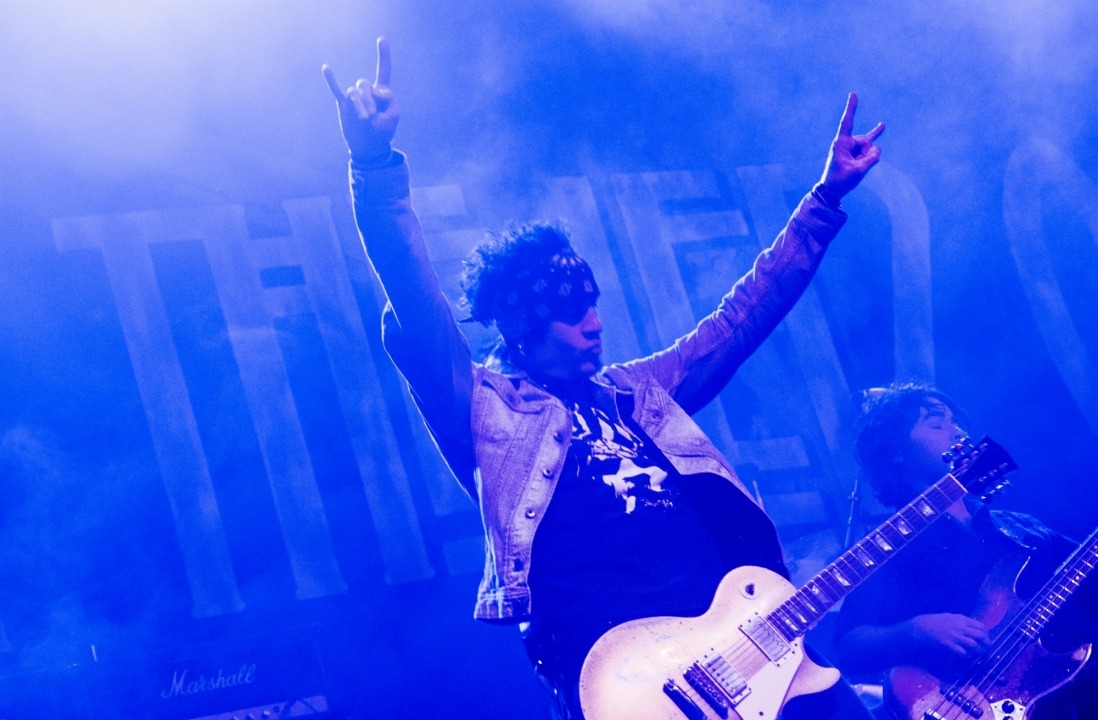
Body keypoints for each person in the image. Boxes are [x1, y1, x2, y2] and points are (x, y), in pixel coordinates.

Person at [323, 36, 885, 719]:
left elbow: (738, 320)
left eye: (591, 303)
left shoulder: (635, 392)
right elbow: (413, 294)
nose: (592, 323)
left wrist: (824, 200)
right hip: (625, 660)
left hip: (741, 633)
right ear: (522, 329)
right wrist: (374, 164)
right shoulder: (484, 407)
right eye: (568, 314)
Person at [834, 382, 1098, 719]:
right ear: (895, 451)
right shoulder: (888, 545)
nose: (956, 429)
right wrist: (918, 630)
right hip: (963, 703)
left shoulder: (1021, 528)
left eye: (956, 422)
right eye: (936, 422)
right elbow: (850, 647)